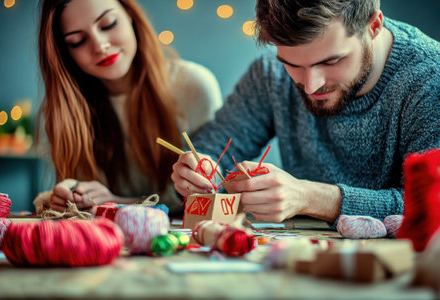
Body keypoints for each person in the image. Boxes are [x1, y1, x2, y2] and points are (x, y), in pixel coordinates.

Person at [171, 0, 440, 225]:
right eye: (293, 65)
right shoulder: (271, 74)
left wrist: (309, 197)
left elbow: (430, 204)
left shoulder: (429, 78)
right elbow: (213, 152)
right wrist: (198, 175)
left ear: (374, 26)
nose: (311, 85)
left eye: (331, 61)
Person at [33, 0, 222, 216]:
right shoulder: (62, 112)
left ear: (130, 15)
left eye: (108, 24)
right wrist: (69, 196)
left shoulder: (194, 86)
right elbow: (79, 207)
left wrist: (118, 202)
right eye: (78, 41)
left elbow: (208, 197)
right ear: (64, 52)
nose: (100, 45)